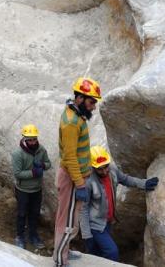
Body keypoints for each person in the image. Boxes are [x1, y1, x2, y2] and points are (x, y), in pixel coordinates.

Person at [53, 76, 102, 267]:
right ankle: (60, 260)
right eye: (91, 102)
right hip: (73, 180)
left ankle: (63, 249)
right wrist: (80, 184)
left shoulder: (76, 114)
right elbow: (70, 157)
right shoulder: (72, 122)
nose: (94, 107)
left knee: (71, 218)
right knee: (67, 220)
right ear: (80, 99)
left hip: (76, 178)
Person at [81, 146, 158, 262]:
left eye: (105, 167)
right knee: (111, 252)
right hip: (95, 226)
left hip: (107, 223)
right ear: (93, 167)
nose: (104, 171)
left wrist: (144, 183)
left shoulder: (112, 170)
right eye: (100, 169)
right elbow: (83, 208)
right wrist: (86, 234)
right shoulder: (88, 181)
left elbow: (126, 179)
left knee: (96, 255)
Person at [11, 124, 52, 251]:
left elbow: (48, 163)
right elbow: (17, 173)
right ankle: (20, 236)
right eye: (30, 139)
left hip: (36, 189)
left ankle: (33, 235)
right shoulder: (18, 154)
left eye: (34, 139)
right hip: (23, 190)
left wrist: (43, 165)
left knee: (34, 213)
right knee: (22, 213)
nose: (33, 142)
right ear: (25, 139)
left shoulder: (41, 150)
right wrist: (33, 173)